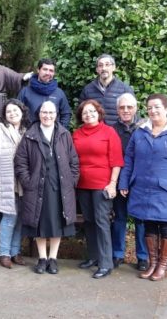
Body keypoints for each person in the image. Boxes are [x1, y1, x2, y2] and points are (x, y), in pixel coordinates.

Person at [118, 94, 167, 282]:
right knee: (148, 225)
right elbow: (129, 159)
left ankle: (163, 265)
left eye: (157, 107)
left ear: (166, 109)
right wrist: (124, 182)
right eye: (150, 108)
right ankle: (152, 263)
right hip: (142, 188)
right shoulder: (140, 132)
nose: (153, 111)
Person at [14, 100, 80, 275]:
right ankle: (42, 259)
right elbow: (20, 162)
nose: (47, 116)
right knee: (39, 224)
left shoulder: (64, 134)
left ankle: (53, 259)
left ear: (56, 115)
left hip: (60, 189)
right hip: (37, 188)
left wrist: (71, 181)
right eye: (44, 112)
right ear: (39, 114)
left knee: (57, 224)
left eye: (51, 113)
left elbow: (74, 161)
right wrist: (28, 182)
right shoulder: (30, 135)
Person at [72, 99, 123, 279]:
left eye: (92, 111)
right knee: (89, 222)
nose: (89, 115)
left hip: (102, 185)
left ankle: (106, 263)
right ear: (81, 116)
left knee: (102, 223)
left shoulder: (109, 132)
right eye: (85, 112)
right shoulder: (76, 134)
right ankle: (93, 257)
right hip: (82, 185)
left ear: (99, 113)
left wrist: (112, 183)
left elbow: (116, 161)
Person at [0, 99, 29, 269]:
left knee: (20, 218)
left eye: (15, 110)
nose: (12, 113)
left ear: (22, 111)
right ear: (4, 114)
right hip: (4, 179)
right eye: (8, 111)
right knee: (9, 216)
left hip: (23, 181)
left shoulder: (27, 130)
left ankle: (15, 251)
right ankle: (4, 253)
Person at [110, 93, 149, 271]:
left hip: (140, 182)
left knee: (141, 220)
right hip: (119, 181)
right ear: (117, 110)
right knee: (119, 218)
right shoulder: (111, 130)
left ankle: (143, 256)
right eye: (122, 107)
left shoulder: (145, 128)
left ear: (136, 108)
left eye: (129, 107)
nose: (126, 110)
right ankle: (117, 254)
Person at [79, 54, 135, 125]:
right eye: (100, 65)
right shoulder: (88, 90)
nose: (104, 68)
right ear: (97, 69)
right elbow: (81, 113)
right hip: (95, 133)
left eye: (107, 65)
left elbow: (133, 113)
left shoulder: (125, 89)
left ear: (114, 67)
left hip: (118, 133)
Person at [17, 58, 71, 127]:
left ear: (54, 73)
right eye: (45, 69)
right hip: (30, 135)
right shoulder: (25, 92)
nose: (48, 73)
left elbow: (66, 114)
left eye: (51, 70)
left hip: (53, 136)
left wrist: (59, 133)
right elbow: (17, 113)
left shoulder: (59, 93)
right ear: (38, 70)